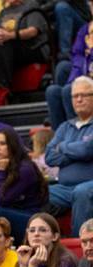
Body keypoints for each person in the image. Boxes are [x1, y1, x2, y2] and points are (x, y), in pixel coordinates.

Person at [45, 76, 93, 236]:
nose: (79, 99)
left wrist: (63, 147)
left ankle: (80, 243)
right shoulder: (65, 127)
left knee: (81, 192)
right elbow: (50, 157)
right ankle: (43, 241)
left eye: (84, 95)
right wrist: (78, 152)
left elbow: (87, 149)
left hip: (89, 185)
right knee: (38, 191)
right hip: (64, 188)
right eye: (75, 96)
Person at [0, 128, 47, 245]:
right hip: (4, 213)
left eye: (2, 144)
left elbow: (2, 200)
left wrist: (1, 173)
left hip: (30, 218)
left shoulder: (25, 169)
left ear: (13, 145)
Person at [0, 0, 49, 90]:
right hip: (12, 48)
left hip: (34, 47)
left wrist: (10, 35)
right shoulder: (4, 12)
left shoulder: (31, 5)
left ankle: (4, 86)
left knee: (6, 45)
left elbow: (33, 31)